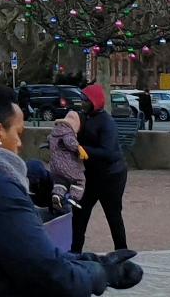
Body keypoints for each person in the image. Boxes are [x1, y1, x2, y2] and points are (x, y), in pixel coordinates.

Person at [0, 83, 142, 296]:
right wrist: (101, 273)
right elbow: (50, 273)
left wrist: (91, 260)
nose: (19, 143)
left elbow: (26, 256)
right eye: (18, 132)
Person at [72, 85, 129, 254]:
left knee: (113, 214)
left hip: (111, 176)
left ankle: (121, 252)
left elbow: (109, 153)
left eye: (86, 101)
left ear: (94, 102)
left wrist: (83, 150)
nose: (82, 104)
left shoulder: (106, 122)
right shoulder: (85, 117)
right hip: (91, 175)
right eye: (82, 100)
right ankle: (75, 252)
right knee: (79, 212)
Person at [49, 111, 87, 213]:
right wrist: (78, 148)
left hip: (54, 165)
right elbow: (69, 141)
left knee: (60, 181)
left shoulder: (55, 131)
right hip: (67, 165)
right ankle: (73, 197)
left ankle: (57, 195)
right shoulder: (67, 132)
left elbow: (49, 140)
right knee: (79, 180)